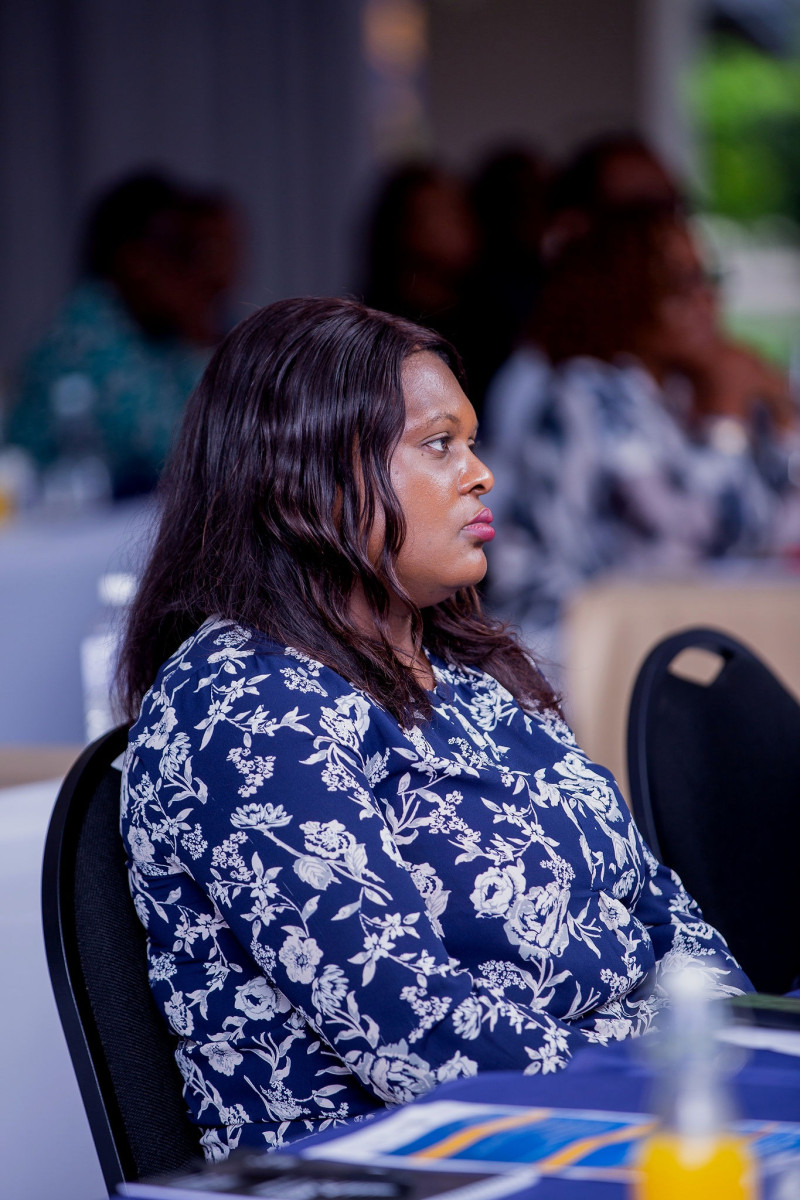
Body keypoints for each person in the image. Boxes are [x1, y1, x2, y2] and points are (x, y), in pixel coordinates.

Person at [118, 297, 750, 1162]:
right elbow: (418, 1039)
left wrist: (732, 1061)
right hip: (413, 1158)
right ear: (308, 472)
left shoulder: (462, 671)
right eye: (440, 444)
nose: (482, 474)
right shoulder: (244, 710)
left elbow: (661, 911)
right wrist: (664, 1090)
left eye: (472, 442)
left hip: (611, 1114)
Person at [485, 207, 800, 646]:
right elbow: (690, 536)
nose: (706, 299)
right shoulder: (589, 392)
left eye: (707, 278)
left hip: (656, 629)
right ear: (625, 294)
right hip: (565, 642)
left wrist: (784, 422)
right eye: (680, 284)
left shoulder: (678, 392)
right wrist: (726, 415)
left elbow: (773, 531)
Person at [6, 172, 240, 499]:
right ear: (134, 260)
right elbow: (189, 454)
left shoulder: (156, 333)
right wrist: (196, 326)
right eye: (180, 251)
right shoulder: (85, 332)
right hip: (34, 518)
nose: (195, 270)